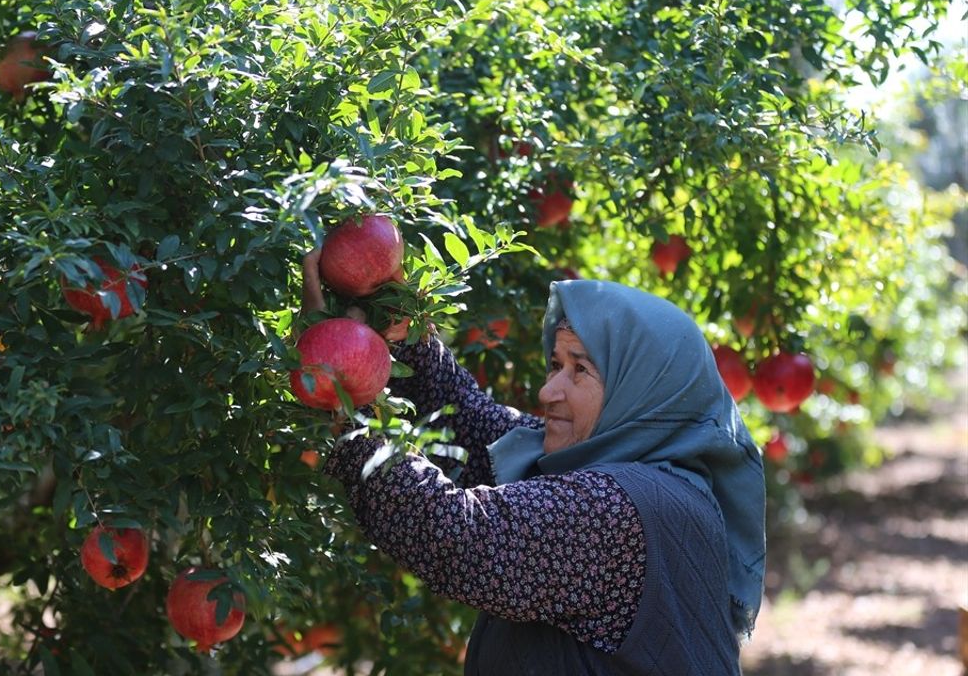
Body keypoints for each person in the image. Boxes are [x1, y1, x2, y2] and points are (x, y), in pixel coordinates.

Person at [301, 251, 766, 675]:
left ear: (644, 389)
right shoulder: (616, 467)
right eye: (554, 365)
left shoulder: (625, 509)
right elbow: (465, 421)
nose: (548, 392)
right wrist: (397, 321)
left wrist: (343, 397)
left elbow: (459, 536)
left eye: (579, 370)